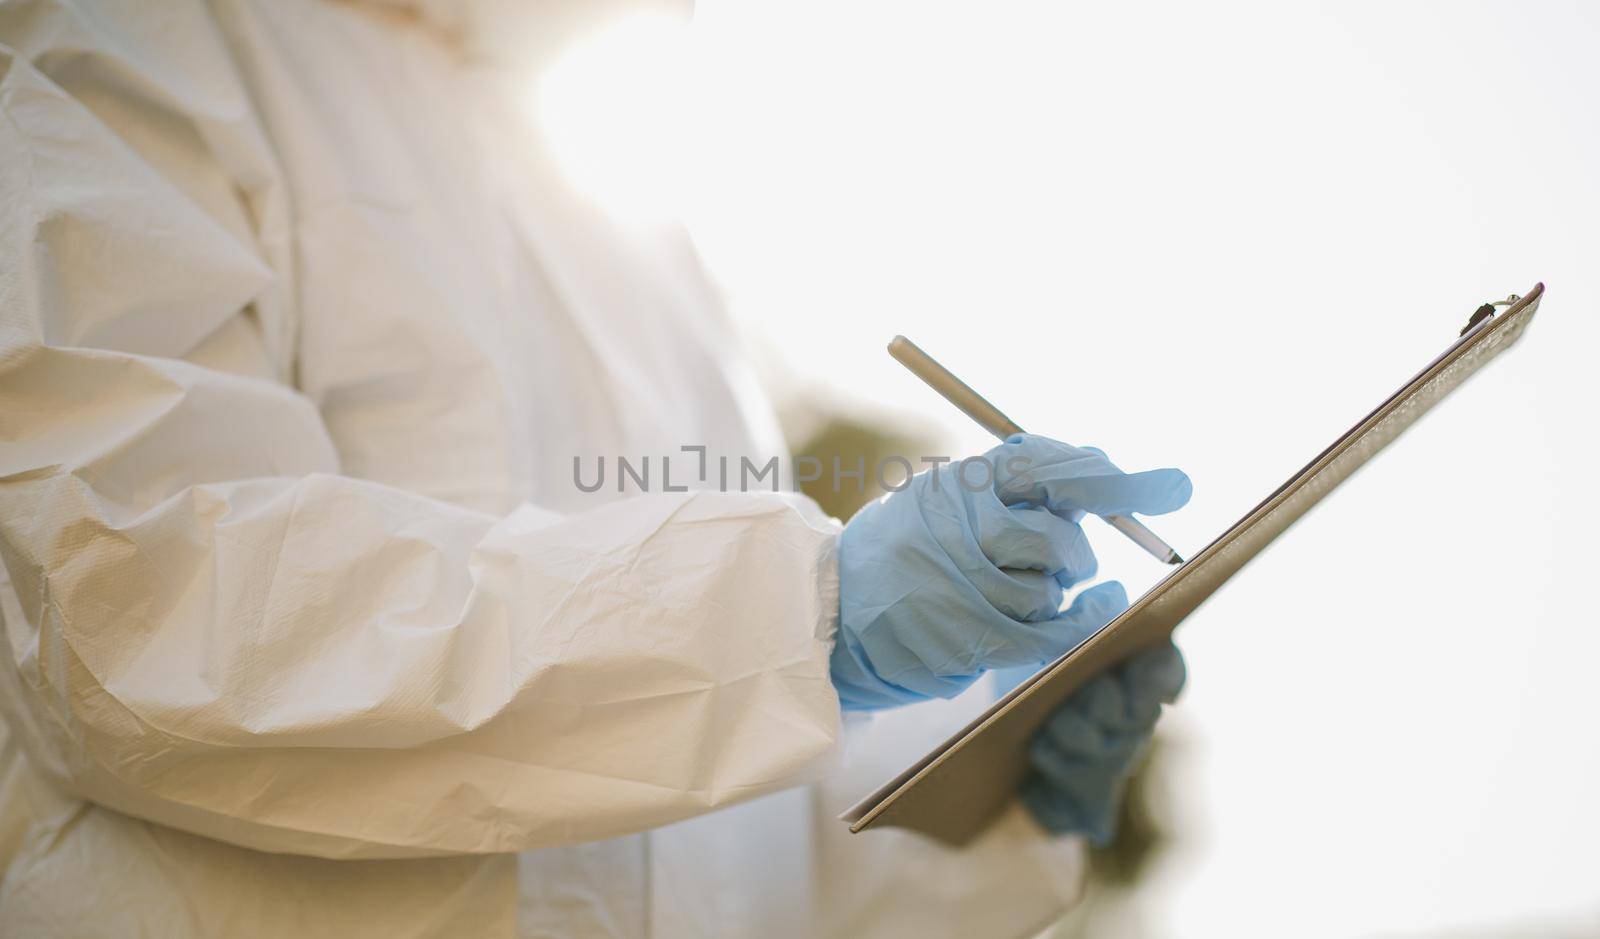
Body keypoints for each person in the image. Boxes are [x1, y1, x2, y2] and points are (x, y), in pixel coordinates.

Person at [0, 1, 1189, 935]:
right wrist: (798, 619)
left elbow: (710, 851)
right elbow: (142, 618)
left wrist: (980, 782)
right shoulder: (142, 46)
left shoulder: (637, 246)